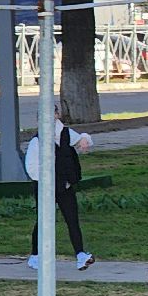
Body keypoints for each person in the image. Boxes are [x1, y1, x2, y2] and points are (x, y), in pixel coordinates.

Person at [25, 104, 95, 270]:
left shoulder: (66, 133)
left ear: (57, 115)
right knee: (42, 221)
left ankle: (80, 254)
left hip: (65, 185)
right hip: (46, 188)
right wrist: (46, 183)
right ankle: (35, 255)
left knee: (72, 219)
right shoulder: (37, 141)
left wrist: (85, 139)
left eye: (52, 114)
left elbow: (82, 141)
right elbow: (32, 167)